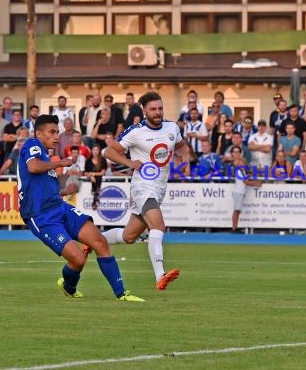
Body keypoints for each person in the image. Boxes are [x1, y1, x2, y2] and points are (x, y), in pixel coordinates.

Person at [17, 114, 143, 301]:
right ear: (39, 133)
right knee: (78, 259)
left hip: (59, 207)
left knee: (100, 241)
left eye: (57, 132)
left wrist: (64, 191)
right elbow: (33, 167)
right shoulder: (32, 145)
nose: (56, 136)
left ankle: (122, 294)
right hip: (41, 217)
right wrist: (61, 163)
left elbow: (39, 188)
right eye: (52, 132)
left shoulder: (45, 155)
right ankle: (69, 286)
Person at [102, 92, 188, 290]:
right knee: (158, 225)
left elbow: (182, 146)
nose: (157, 113)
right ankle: (160, 275)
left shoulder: (172, 127)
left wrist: (184, 158)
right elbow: (109, 151)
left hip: (159, 188)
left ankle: (94, 240)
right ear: (144, 110)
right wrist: (130, 162)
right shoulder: (135, 131)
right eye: (153, 109)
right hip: (142, 186)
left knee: (129, 237)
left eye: (160, 108)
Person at [231, 148, 262, 232]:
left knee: (237, 210)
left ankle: (235, 227)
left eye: (243, 162)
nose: (241, 164)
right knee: (236, 210)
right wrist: (257, 183)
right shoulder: (239, 171)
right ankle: (234, 228)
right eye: (240, 162)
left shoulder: (243, 171)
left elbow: (248, 178)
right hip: (238, 192)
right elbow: (246, 182)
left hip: (240, 192)